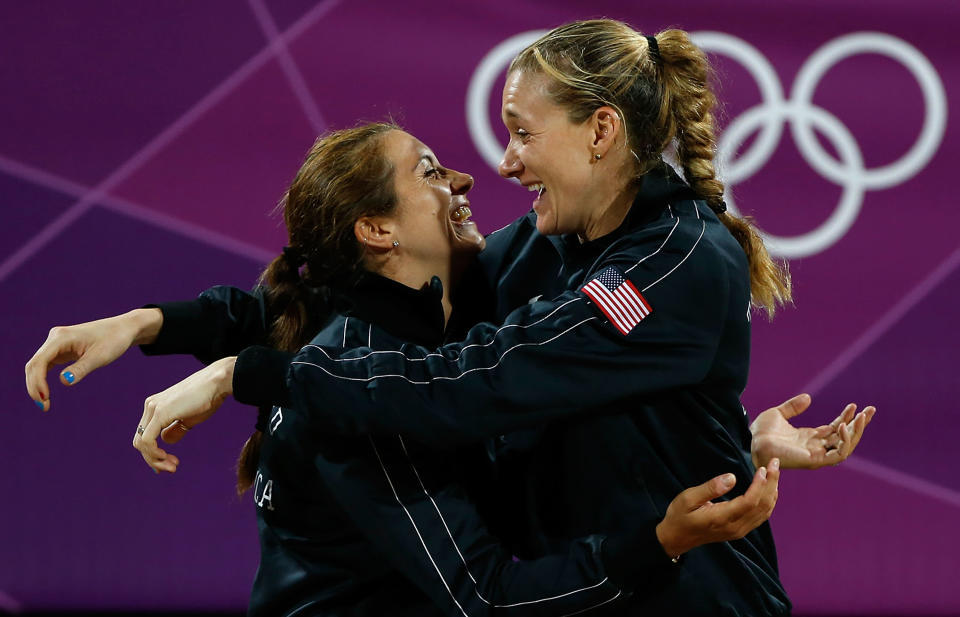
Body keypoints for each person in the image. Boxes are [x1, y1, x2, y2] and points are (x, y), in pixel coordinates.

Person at [26, 19, 874, 616]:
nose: (496, 166)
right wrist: (150, 325)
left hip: (694, 600)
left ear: (601, 131)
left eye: (520, 133)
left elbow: (491, 376)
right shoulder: (549, 244)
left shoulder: (670, 263)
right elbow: (343, 300)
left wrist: (248, 374)